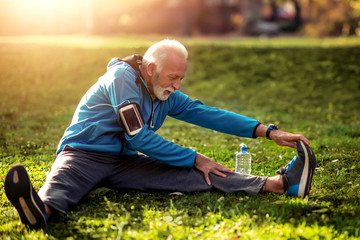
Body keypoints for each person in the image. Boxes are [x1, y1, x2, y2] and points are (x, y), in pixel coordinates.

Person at [4, 39, 316, 229]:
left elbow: (208, 114)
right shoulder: (121, 78)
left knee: (204, 174)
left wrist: (268, 132)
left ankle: (281, 185)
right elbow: (138, 136)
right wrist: (194, 157)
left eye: (181, 78)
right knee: (61, 187)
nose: (177, 85)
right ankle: (37, 210)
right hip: (83, 154)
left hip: (125, 162)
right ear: (151, 68)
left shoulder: (165, 92)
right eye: (173, 77)